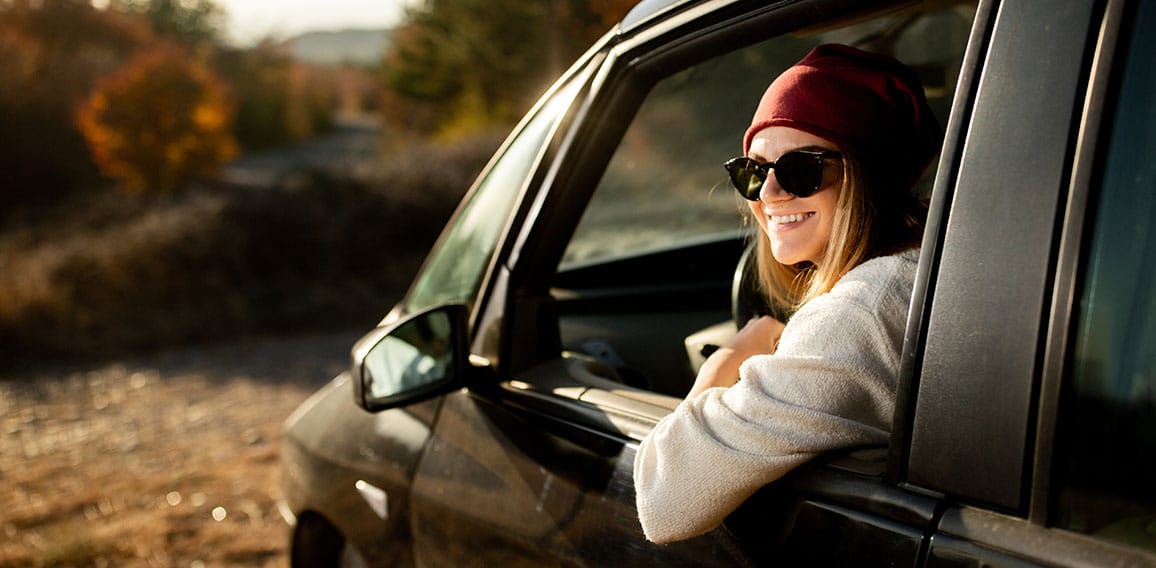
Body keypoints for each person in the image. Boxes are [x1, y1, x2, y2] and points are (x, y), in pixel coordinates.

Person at [633, 43, 942, 544]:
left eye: (803, 170)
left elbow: (663, 501)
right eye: (752, 172)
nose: (770, 194)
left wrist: (723, 364)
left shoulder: (860, 313)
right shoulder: (924, 268)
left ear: (871, 177)